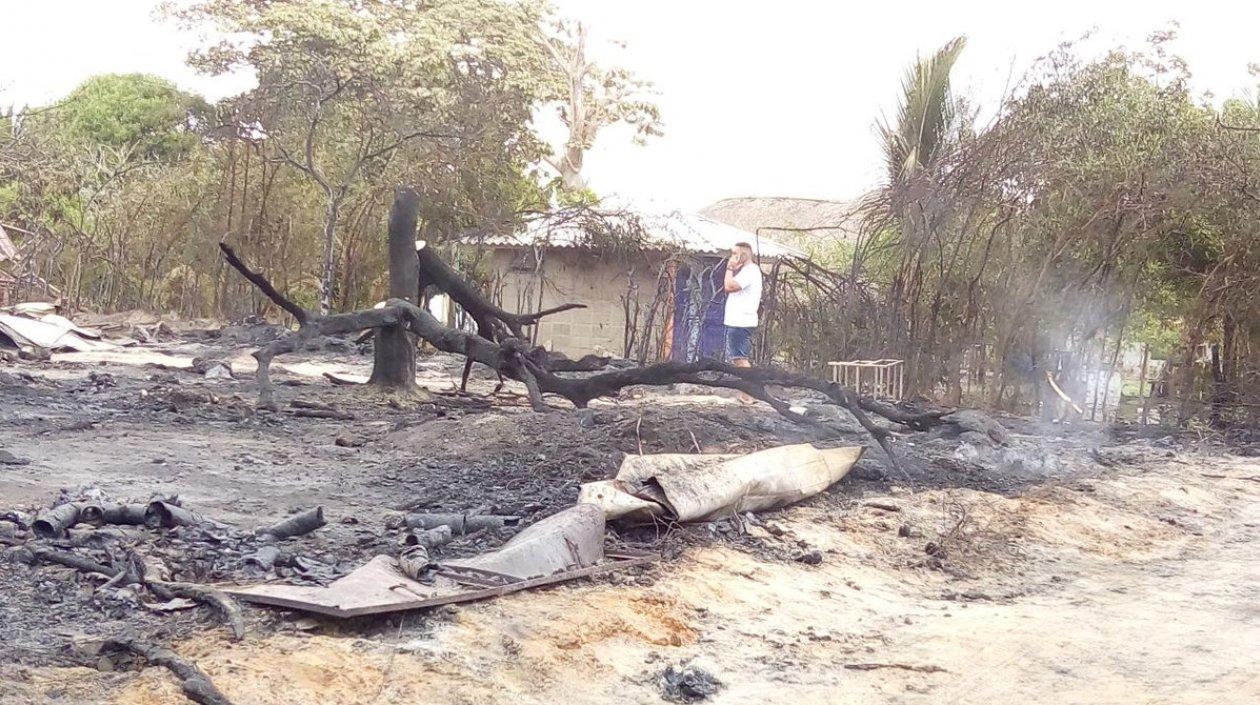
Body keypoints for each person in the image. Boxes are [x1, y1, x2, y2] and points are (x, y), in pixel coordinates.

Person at [723, 241, 762, 404]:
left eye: (735, 254)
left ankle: (748, 395)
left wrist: (729, 268)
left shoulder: (750, 271)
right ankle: (748, 393)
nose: (732, 257)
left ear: (743, 255)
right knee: (739, 358)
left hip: (741, 321)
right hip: (739, 320)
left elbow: (729, 286)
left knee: (740, 358)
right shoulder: (747, 271)